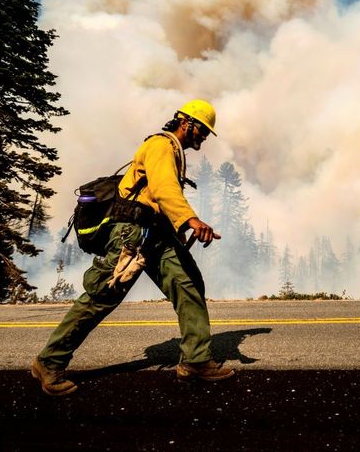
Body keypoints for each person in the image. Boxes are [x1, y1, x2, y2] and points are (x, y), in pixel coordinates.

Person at [32, 99, 234, 396]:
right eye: (202, 130)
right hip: (132, 235)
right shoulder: (161, 146)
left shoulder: (173, 151)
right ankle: (49, 362)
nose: (204, 137)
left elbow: (158, 199)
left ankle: (196, 359)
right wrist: (190, 219)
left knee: (188, 284)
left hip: (154, 235)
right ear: (186, 123)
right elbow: (165, 189)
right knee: (102, 296)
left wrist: (178, 230)